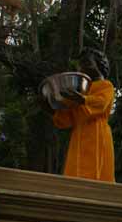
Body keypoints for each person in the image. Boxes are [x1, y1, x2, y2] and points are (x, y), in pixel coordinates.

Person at [49, 48, 115, 182]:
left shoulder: (106, 85)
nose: (82, 67)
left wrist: (82, 99)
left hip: (97, 133)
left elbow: (101, 103)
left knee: (96, 169)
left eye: (87, 63)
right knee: (76, 170)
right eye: (81, 64)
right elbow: (67, 119)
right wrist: (50, 108)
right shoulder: (80, 90)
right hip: (78, 134)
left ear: (100, 65)